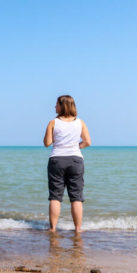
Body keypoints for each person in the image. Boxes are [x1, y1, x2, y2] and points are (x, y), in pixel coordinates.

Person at [43, 95, 91, 233]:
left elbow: (47, 143)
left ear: (62, 106)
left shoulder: (53, 122)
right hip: (75, 160)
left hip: (57, 159)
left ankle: (52, 229)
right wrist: (75, 147)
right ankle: (77, 229)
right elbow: (87, 142)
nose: (54, 107)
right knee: (76, 197)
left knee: (55, 196)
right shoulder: (80, 122)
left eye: (56, 104)